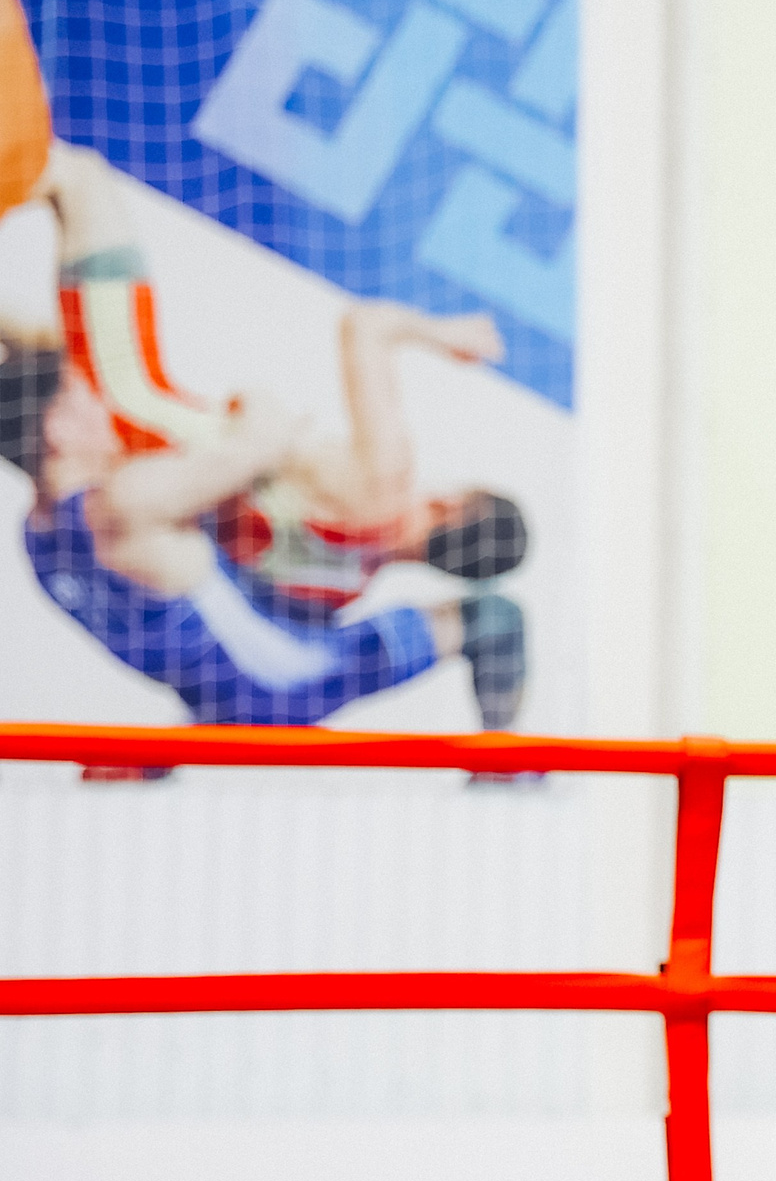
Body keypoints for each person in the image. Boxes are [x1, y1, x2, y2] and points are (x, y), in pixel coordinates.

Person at [7, 144, 529, 766]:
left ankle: (509, 760)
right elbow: (218, 637)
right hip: (218, 607)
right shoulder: (334, 593)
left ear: (451, 501)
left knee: (79, 181)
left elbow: (363, 326)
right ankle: (511, 766)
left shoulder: (383, 481)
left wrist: (444, 335)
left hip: (154, 423)